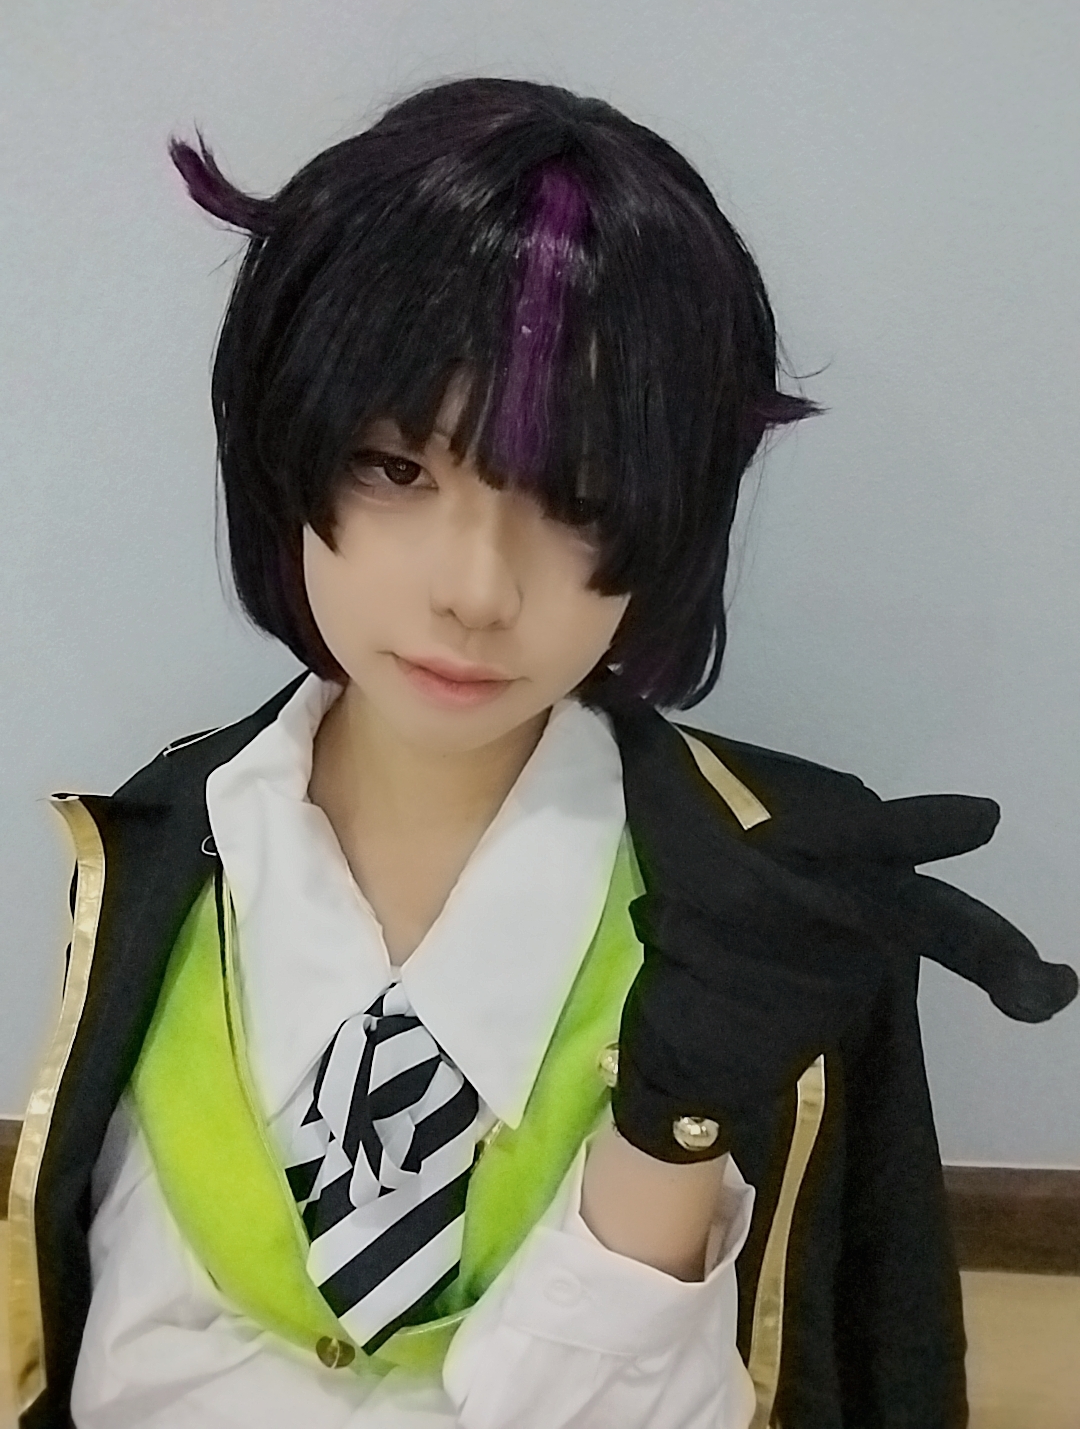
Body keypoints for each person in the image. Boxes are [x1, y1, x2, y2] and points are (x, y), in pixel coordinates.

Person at [6, 77, 1075, 1429]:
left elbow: (868, 1356)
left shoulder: (764, 895)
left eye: (581, 498)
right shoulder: (157, 848)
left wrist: (670, 1133)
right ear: (283, 441)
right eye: (396, 468)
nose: (477, 590)